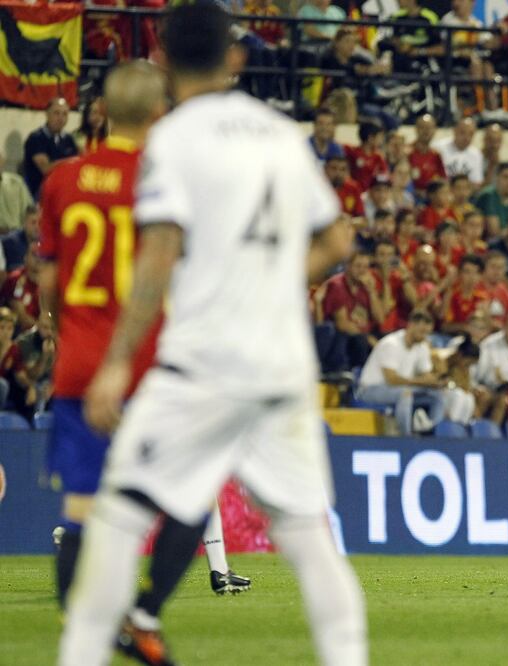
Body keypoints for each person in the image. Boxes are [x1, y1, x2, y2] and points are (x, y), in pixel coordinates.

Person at [59, 7, 365, 666]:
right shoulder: (282, 134)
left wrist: (115, 362)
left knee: (116, 518)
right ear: (236, 58)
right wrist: (274, 281)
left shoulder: (174, 140)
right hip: (283, 366)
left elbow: (159, 252)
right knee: (311, 540)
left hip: (202, 364)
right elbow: (338, 239)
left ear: (163, 63)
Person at [38, 65, 254, 645]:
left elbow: (49, 283)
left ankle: (79, 630)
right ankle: (145, 613)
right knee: (193, 488)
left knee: (81, 504)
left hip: (79, 366)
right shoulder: (164, 180)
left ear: (100, 112)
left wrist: (58, 329)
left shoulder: (61, 179)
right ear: (159, 113)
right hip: (147, 364)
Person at [356, 310, 447, 434]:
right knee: (405, 394)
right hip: (371, 390)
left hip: (400, 388)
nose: (424, 336)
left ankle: (430, 431)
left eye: (427, 333)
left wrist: (435, 382)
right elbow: (392, 380)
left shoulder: (421, 346)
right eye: (421, 332)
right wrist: (421, 382)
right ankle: (405, 438)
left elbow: (426, 375)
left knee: (437, 395)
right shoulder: (391, 344)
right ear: (411, 325)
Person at [22, 97, 80, 199]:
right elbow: (46, 169)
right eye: (56, 113)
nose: (61, 118)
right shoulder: (36, 138)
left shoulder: (68, 139)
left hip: (62, 190)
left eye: (65, 114)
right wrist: (72, 162)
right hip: (39, 192)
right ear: (47, 114)